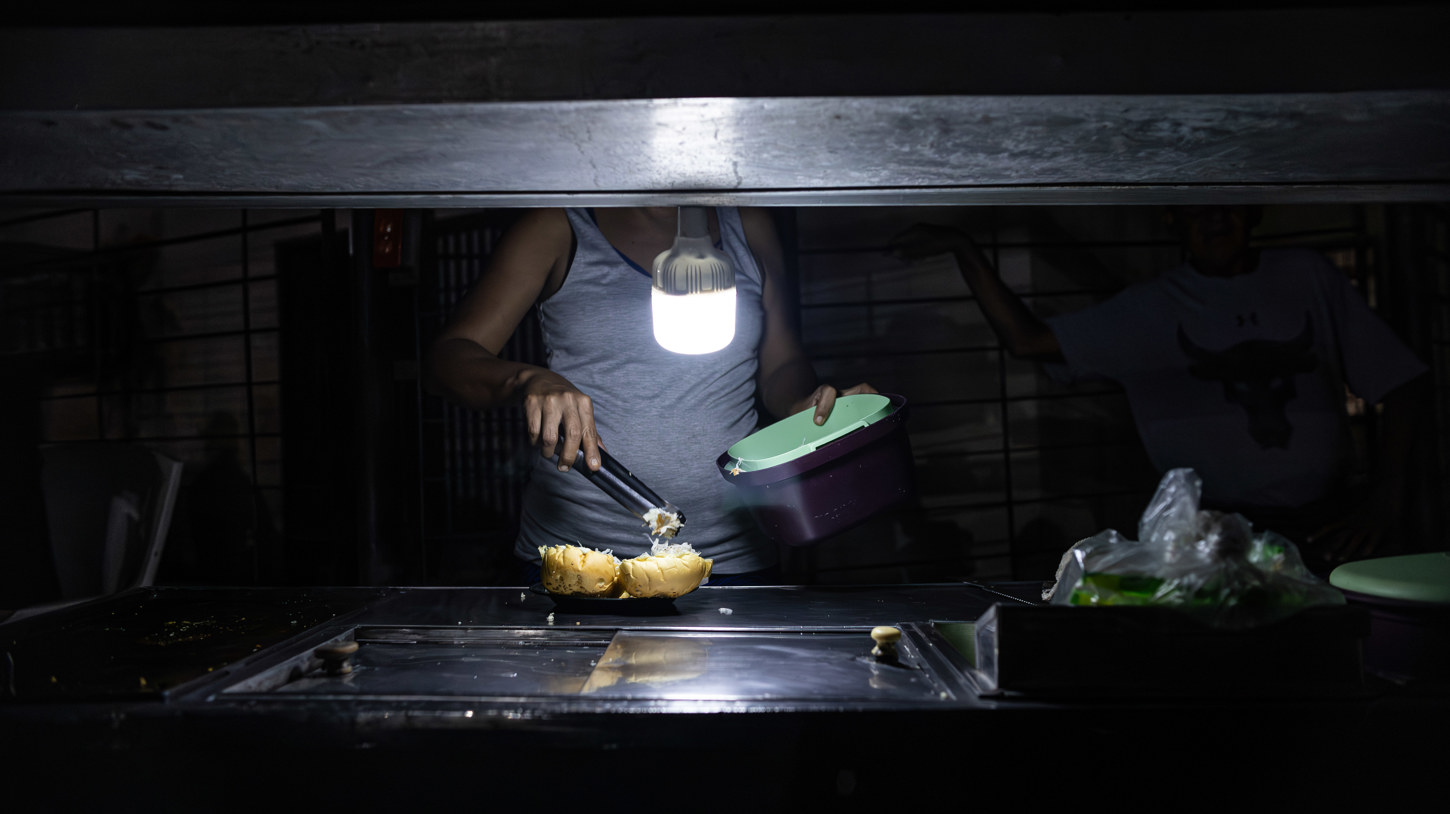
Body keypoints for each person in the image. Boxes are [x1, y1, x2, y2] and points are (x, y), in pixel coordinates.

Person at [891, 205, 1428, 571]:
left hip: (1328, 525)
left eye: (1229, 204)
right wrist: (964, 249)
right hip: (1212, 537)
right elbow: (1029, 341)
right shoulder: (1152, 309)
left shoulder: (1309, 276)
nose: (1215, 219)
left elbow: (1401, 382)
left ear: (1256, 209)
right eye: (1198, 207)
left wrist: (1388, 494)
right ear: (1173, 217)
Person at [426, 206, 874, 585]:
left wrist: (804, 404)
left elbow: (781, 363)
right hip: (580, 562)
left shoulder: (747, 225)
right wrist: (527, 380)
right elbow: (449, 358)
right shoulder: (559, 224)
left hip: (731, 561)